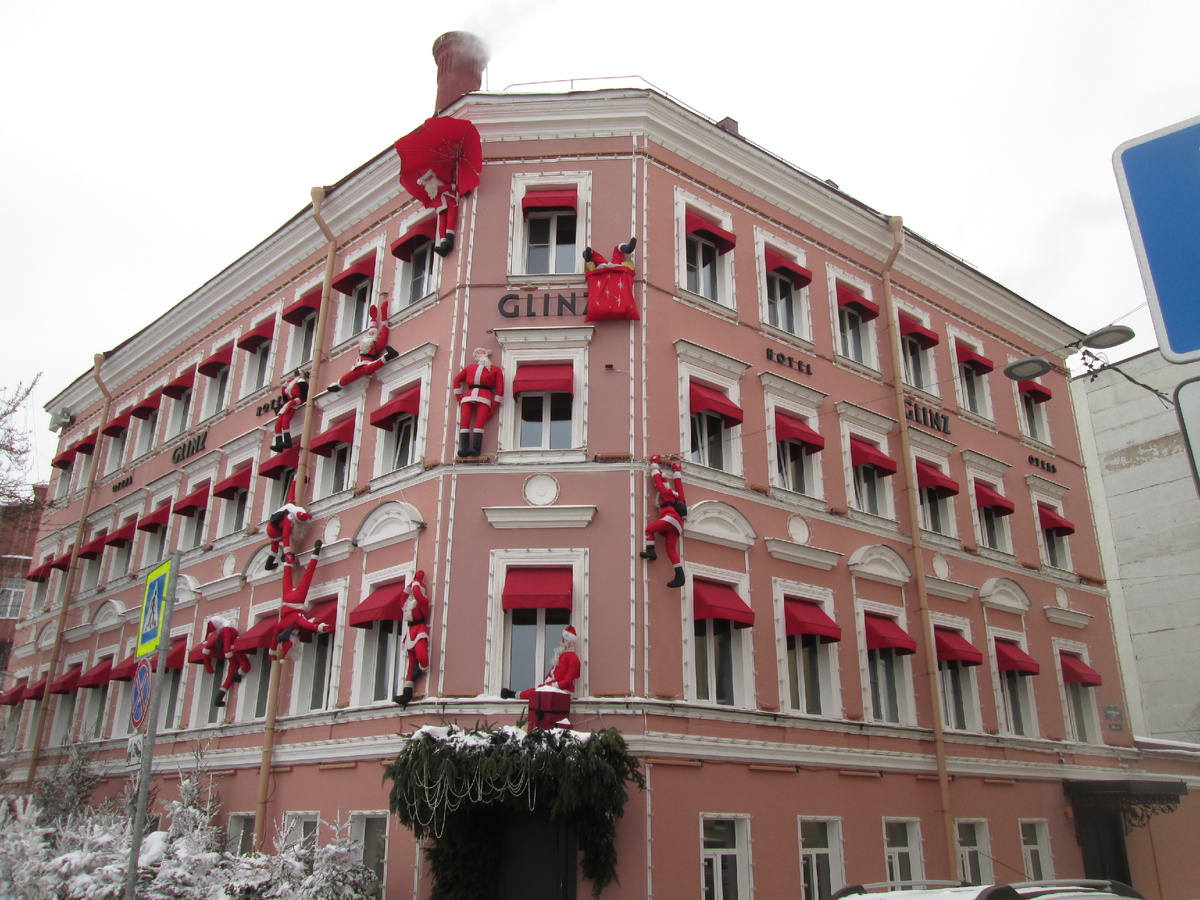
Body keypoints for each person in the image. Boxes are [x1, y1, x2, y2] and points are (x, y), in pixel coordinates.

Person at [502, 625, 580, 729]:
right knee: (536, 691)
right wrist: (548, 681)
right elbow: (553, 672)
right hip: (554, 686)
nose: (562, 642)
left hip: (562, 690)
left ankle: (514, 694)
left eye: (564, 640)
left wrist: (553, 685)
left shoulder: (573, 658)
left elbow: (568, 680)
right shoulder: (562, 656)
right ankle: (515, 694)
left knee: (536, 694)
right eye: (563, 639)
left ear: (570, 642)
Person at [271, 541, 331, 661]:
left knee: (308, 575)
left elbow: (307, 624)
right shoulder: (282, 624)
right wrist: (272, 651)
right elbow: (275, 631)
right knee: (287, 577)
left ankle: (316, 551)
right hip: (287, 599)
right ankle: (287, 561)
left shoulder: (296, 620)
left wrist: (320, 627)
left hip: (298, 600)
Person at [327, 293, 399, 393]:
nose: (370, 335)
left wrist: (384, 315)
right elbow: (374, 329)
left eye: (372, 334)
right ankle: (338, 385)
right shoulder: (368, 341)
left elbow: (384, 334)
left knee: (369, 368)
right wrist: (373, 318)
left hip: (367, 363)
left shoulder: (376, 345)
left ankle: (388, 356)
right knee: (350, 376)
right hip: (358, 365)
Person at [640, 455, 688, 588]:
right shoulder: (679, 497)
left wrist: (654, 465)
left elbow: (658, 481)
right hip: (677, 525)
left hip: (670, 518)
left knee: (649, 529)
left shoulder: (666, 493)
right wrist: (676, 471)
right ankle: (679, 574)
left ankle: (651, 551)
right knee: (671, 549)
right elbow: (679, 486)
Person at [452, 347, 504, 458]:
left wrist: (493, 407)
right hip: (469, 396)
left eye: (481, 353)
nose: (480, 355)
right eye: (477, 353)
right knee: (465, 422)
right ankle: (464, 448)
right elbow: (456, 380)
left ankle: (476, 448)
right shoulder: (470, 368)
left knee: (479, 423)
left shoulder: (495, 370)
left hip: (484, 397)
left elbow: (500, 391)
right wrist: (459, 397)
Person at [393, 570, 430, 709]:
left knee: (421, 655)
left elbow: (418, 594)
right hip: (410, 631)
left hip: (420, 629)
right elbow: (403, 598)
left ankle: (420, 669)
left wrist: (416, 582)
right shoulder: (408, 605)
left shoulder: (423, 601)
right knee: (410, 663)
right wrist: (411, 584)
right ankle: (407, 693)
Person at [583, 237, 640, 322]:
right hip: (615, 272)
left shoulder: (599, 272)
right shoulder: (621, 272)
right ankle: (626, 248)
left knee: (600, 259)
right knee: (616, 252)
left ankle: (589, 255)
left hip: (604, 273)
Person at [200, 616, 251, 708]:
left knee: (230, 675)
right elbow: (226, 645)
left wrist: (208, 665)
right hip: (235, 653)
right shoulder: (226, 631)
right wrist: (229, 654)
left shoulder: (222, 633)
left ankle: (218, 699)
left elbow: (207, 648)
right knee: (240, 669)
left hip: (232, 655)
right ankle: (236, 677)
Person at [264, 481, 311, 572]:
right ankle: (284, 558)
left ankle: (268, 564)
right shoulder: (289, 521)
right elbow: (286, 537)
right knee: (277, 546)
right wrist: (288, 555)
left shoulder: (290, 507)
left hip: (272, 527)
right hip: (274, 532)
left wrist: (294, 482)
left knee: (274, 548)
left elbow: (290, 497)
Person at [272, 369, 309, 453]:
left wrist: (298, 400)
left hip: (296, 400)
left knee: (285, 421)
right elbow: (285, 394)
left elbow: (304, 393)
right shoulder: (291, 382)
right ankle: (278, 443)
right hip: (290, 401)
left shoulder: (301, 381)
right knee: (278, 423)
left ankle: (287, 441)